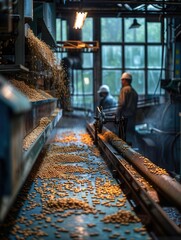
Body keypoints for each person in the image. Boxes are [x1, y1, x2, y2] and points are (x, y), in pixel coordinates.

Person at [116, 72, 138, 143]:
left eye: (122, 80)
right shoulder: (134, 91)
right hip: (132, 118)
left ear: (126, 80)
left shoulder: (124, 90)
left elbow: (121, 104)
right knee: (130, 137)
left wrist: (117, 115)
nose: (121, 82)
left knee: (123, 139)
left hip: (124, 118)